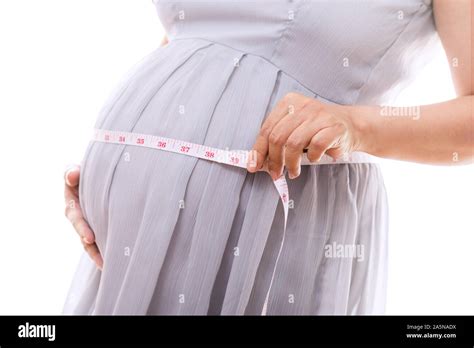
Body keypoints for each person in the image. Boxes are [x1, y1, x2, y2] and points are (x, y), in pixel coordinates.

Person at [63, 0, 473, 315]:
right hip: (133, 221)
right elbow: (203, 43)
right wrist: (123, 151)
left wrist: (356, 125)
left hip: (282, 221)